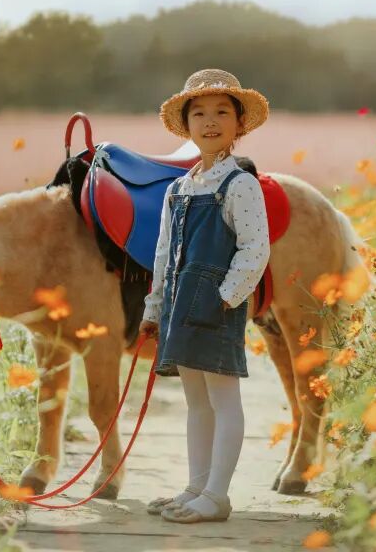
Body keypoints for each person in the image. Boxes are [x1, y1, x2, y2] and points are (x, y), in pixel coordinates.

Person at [139, 68, 271, 523]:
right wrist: (155, 306)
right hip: (181, 303)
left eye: (221, 112)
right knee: (196, 401)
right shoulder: (178, 188)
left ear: (239, 124)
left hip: (216, 303)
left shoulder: (240, 184)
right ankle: (196, 486)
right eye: (199, 113)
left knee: (223, 399)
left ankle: (217, 495)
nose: (210, 121)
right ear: (187, 125)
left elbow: (255, 249)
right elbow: (163, 253)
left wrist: (227, 297)